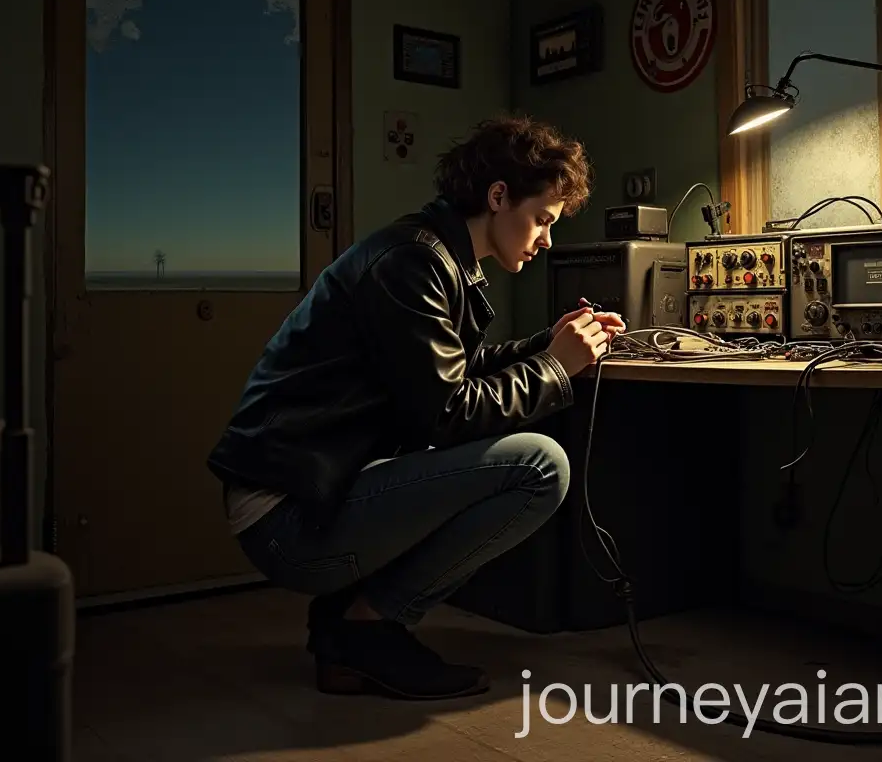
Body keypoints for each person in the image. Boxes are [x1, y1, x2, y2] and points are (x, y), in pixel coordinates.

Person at [206, 115, 625, 701]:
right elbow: (447, 412)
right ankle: (369, 627)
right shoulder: (412, 263)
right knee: (540, 467)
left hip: (313, 496)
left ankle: (348, 628)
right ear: (498, 196)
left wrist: (549, 343)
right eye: (542, 220)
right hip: (288, 519)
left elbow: (446, 373)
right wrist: (556, 368)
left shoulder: (435, 255)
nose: (547, 239)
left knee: (527, 461)